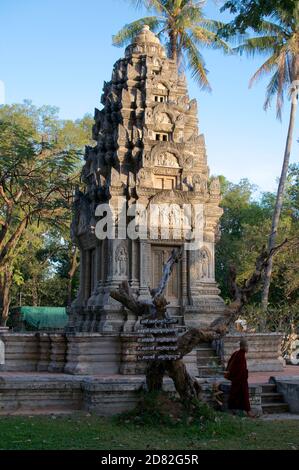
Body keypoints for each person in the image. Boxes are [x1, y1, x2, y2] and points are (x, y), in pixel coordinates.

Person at [224, 339, 255, 418]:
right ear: (243, 347)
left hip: (236, 379)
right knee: (244, 396)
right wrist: (244, 375)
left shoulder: (236, 353)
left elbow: (230, 364)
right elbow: (240, 369)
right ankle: (248, 411)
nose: (248, 348)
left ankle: (233, 410)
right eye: (247, 346)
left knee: (234, 394)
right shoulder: (240, 355)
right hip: (240, 379)